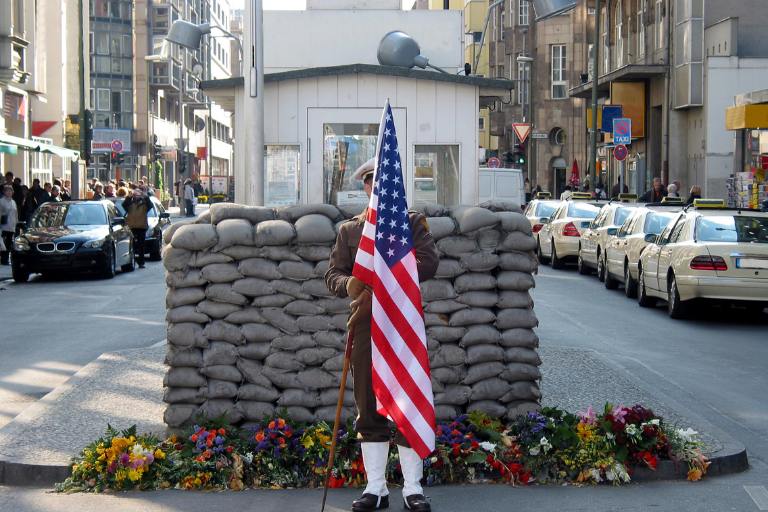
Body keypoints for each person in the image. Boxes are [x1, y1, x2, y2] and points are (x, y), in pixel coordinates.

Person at [325, 158, 439, 512]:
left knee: (406, 402)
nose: (379, 188)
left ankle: (412, 488)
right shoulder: (350, 231)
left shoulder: (412, 223)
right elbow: (333, 275)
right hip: (365, 326)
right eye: (373, 183)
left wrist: (389, 275)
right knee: (368, 407)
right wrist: (350, 284)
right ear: (366, 188)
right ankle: (376, 488)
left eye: (386, 183)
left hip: (402, 327)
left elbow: (429, 262)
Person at [122, 187, 155, 269]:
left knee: (141, 245)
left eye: (138, 194)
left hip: (141, 227)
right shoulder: (130, 203)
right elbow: (124, 205)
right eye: (135, 194)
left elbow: (150, 205)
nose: (137, 196)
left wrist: (146, 196)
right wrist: (129, 196)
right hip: (131, 227)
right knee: (131, 245)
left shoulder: (144, 204)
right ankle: (131, 261)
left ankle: (141, 262)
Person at [0, 185, 18, 265]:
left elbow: (16, 214)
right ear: (4, 192)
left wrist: (16, 223)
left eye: (10, 191)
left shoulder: (13, 202)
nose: (9, 192)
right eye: (7, 191)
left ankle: (6, 259)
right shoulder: (1, 201)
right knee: (3, 243)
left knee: (9, 243)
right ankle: (4, 259)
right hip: (4, 226)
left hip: (12, 226)